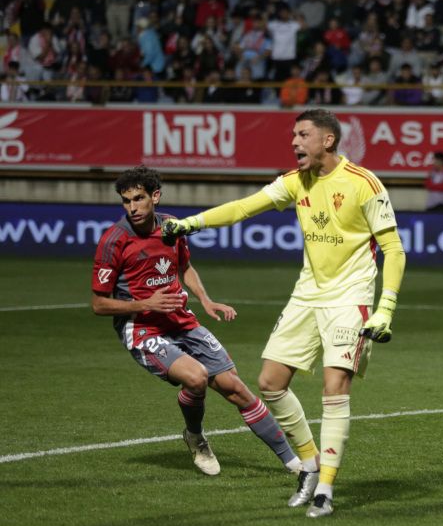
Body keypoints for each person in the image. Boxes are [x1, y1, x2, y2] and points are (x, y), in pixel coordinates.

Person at [161, 110, 406, 517]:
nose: (294, 142)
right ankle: (309, 464)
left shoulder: (364, 183)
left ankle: (326, 489)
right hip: (306, 296)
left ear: (327, 141)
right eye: (293, 135)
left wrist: (386, 309)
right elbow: (244, 207)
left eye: (303, 135)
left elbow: (394, 249)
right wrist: (191, 224)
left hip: (350, 299)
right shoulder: (296, 181)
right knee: (270, 381)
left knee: (334, 389)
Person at [91, 166, 301, 479]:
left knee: (238, 390)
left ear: (155, 196)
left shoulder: (172, 227)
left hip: (181, 321)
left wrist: (205, 299)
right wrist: (146, 303)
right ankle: (196, 437)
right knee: (197, 377)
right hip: (143, 329)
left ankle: (295, 464)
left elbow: (185, 266)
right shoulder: (114, 241)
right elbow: (98, 304)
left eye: (138, 198)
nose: (131, 207)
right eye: (125, 201)